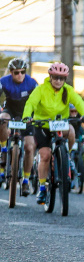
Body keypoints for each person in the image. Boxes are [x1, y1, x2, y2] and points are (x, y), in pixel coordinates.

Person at [21, 62, 84, 205]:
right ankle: (42, 188)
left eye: (62, 78)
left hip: (60, 124)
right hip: (43, 125)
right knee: (45, 155)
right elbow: (31, 103)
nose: (58, 81)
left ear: (65, 79)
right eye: (55, 77)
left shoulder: (68, 90)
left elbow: (78, 102)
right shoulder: (41, 89)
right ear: (50, 77)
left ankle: (67, 157)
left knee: (71, 130)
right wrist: (27, 115)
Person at [0, 58, 39, 195]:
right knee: (2, 119)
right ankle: (4, 149)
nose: (20, 75)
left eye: (22, 72)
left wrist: (36, 115)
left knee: (29, 147)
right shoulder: (3, 81)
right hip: (10, 109)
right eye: (16, 72)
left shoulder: (32, 82)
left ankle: (26, 181)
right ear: (11, 72)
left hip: (27, 113)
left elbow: (40, 101)